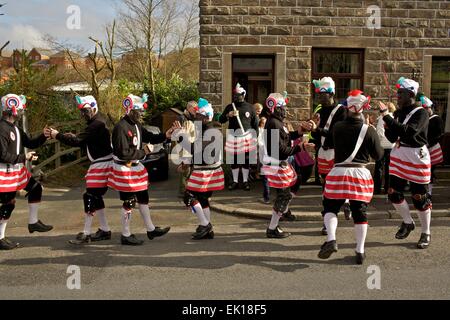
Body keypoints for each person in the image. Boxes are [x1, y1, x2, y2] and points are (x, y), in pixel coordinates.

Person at [318, 90, 383, 264]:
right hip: (359, 174)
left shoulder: (338, 127)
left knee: (330, 207)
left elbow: (328, 144)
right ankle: (360, 251)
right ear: (363, 109)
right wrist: (373, 132)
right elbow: (378, 155)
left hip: (338, 172)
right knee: (359, 211)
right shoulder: (368, 131)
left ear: (347, 108)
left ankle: (331, 238)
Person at [108, 93, 178, 245]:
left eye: (141, 111)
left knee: (143, 198)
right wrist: (144, 152)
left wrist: (165, 135)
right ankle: (125, 234)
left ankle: (151, 229)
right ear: (129, 110)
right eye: (138, 111)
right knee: (129, 201)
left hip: (135, 168)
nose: (140, 114)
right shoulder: (120, 128)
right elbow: (123, 153)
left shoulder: (136, 125)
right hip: (124, 169)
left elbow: (150, 137)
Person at [48, 95, 113, 245]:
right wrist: (73, 136)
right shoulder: (98, 122)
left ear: (94, 108)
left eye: (85, 111)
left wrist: (57, 135)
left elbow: (78, 142)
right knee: (95, 196)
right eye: (82, 111)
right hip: (102, 162)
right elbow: (87, 140)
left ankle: (87, 232)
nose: (83, 114)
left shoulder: (95, 124)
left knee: (90, 196)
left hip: (101, 163)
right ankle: (104, 229)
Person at [380, 77, 432, 249]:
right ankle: (408, 222)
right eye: (397, 93)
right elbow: (393, 137)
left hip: (417, 156)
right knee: (393, 193)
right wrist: (387, 126)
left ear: (411, 94)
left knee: (419, 198)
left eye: (401, 94)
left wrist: (388, 118)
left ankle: (426, 232)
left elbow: (410, 132)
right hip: (400, 154)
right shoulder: (398, 112)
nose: (398, 97)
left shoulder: (421, 112)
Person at [0, 94, 52, 250]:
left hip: (16, 170)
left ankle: (33, 222)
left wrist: (44, 136)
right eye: (20, 109)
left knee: (36, 188)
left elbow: (30, 142)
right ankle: (0, 237)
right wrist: (24, 157)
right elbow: (2, 155)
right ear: (12, 109)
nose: (21, 112)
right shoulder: (1, 128)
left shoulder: (16, 128)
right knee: (8, 204)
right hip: (4, 172)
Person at [262, 92, 315, 238]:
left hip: (279, 164)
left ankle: (284, 212)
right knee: (283, 196)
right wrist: (302, 147)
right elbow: (280, 150)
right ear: (276, 108)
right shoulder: (273, 123)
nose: (286, 110)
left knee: (295, 183)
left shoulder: (276, 122)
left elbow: (285, 137)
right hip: (277, 164)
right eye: (283, 107)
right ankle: (272, 227)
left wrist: (299, 132)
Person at [303, 77, 347, 234]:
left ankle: (345, 202)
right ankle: (327, 219)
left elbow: (336, 134)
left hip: (337, 153)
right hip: (322, 152)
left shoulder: (342, 111)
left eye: (323, 95)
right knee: (325, 186)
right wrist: (311, 138)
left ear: (331, 94)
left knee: (336, 184)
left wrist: (317, 130)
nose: (320, 98)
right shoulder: (319, 111)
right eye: (318, 95)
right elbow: (317, 133)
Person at [179, 98, 224, 240]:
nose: (196, 117)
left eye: (198, 115)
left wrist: (181, 137)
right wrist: (187, 162)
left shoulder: (210, 131)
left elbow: (196, 151)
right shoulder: (206, 129)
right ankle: (207, 228)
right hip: (207, 169)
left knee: (189, 197)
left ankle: (205, 224)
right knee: (203, 199)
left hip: (205, 171)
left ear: (205, 117)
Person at [219, 83, 258, 191]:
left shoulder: (250, 107)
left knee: (246, 161)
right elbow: (221, 120)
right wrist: (228, 115)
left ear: (243, 94)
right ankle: (235, 181)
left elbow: (255, 124)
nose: (237, 96)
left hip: (247, 138)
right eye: (235, 95)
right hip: (233, 137)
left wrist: (255, 137)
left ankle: (245, 182)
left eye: (239, 94)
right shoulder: (229, 107)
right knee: (234, 160)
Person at [418, 94, 444, 196]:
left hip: (433, 148)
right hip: (424, 148)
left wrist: (430, 143)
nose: (426, 110)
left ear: (431, 108)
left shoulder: (437, 119)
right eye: (424, 108)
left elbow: (440, 134)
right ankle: (424, 190)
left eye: (427, 108)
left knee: (430, 170)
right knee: (424, 170)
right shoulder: (423, 118)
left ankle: (429, 192)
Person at [374, 102, 396, 194]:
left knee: (379, 167)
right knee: (388, 168)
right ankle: (387, 187)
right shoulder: (394, 118)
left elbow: (379, 133)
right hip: (392, 146)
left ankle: (377, 188)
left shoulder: (382, 118)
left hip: (382, 146)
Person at [177, 101, 198, 196]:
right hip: (184, 147)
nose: (196, 110)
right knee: (186, 170)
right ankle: (183, 192)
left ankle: (189, 189)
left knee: (191, 169)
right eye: (194, 108)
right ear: (189, 108)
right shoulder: (182, 118)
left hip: (192, 146)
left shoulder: (193, 118)